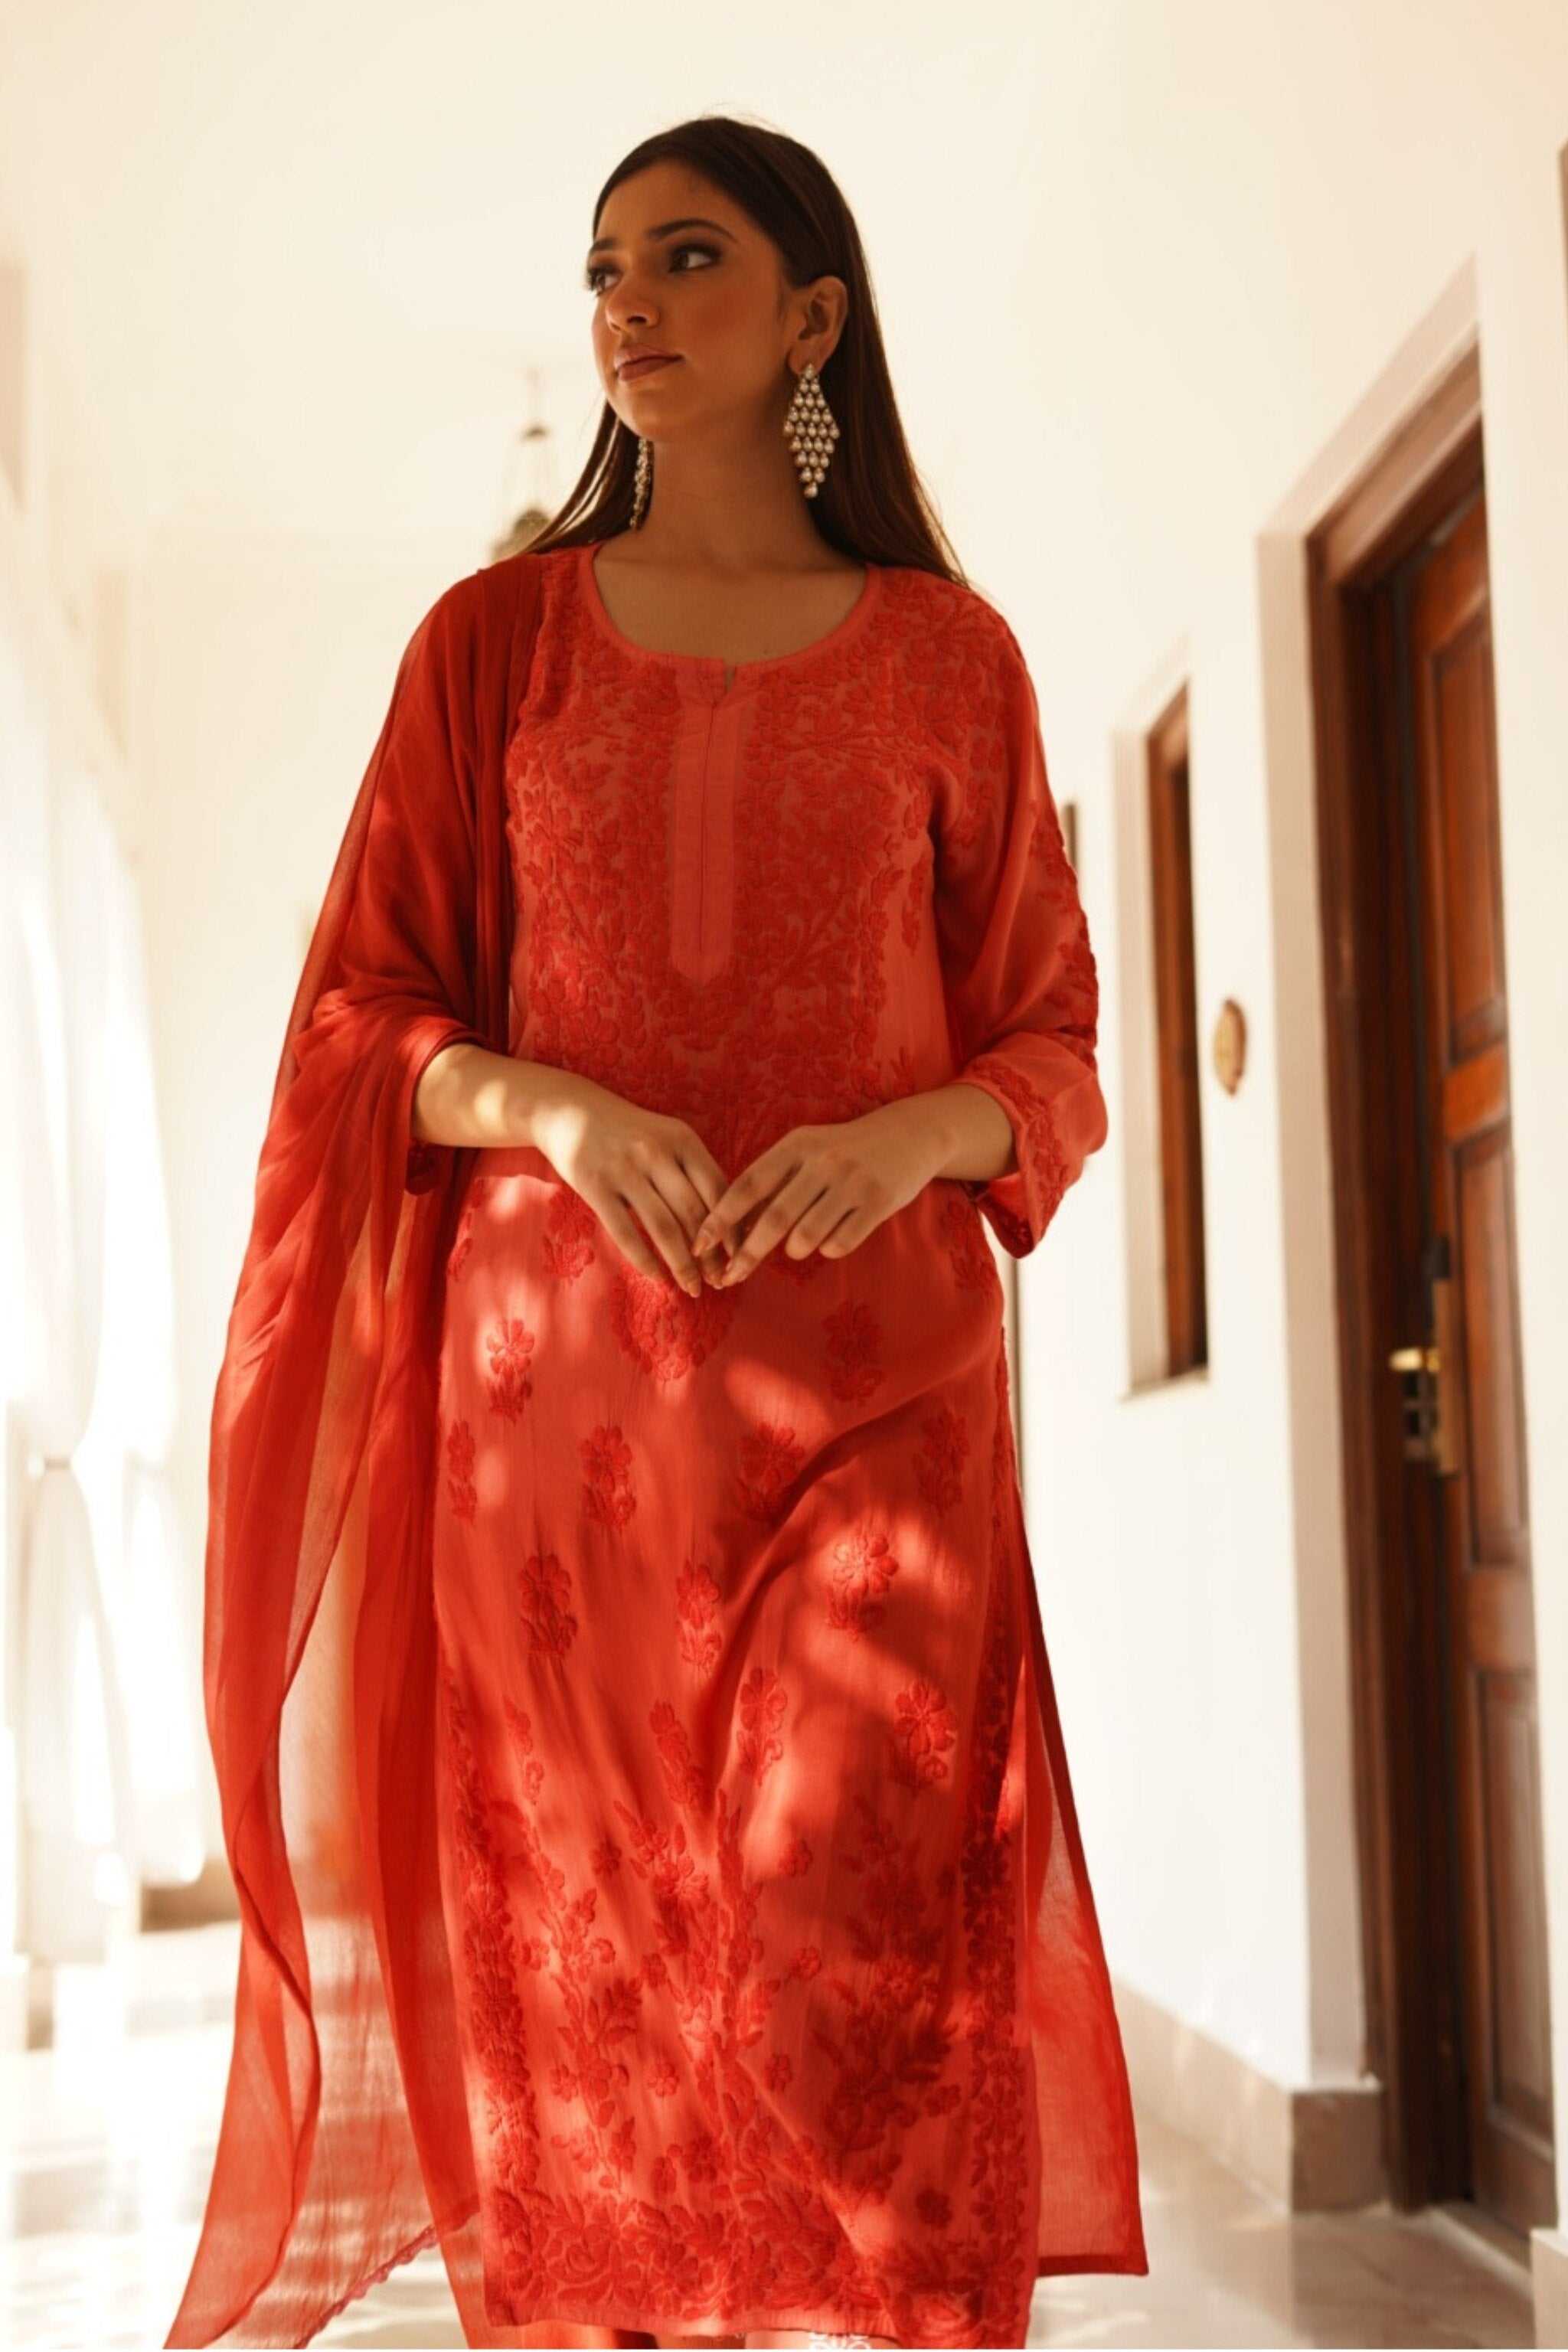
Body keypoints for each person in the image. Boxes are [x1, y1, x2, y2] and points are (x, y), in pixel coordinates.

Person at [166, 113, 1147, 2352]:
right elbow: (358, 1017)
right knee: (599, 1998)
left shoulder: (943, 660)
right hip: (561, 1443)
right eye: (604, 264)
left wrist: (917, 1132)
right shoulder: (491, 649)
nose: (623, 301)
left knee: (846, 1943)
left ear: (813, 316)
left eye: (685, 258)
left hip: (878, 1406)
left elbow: (1058, 1044)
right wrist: (550, 1109)